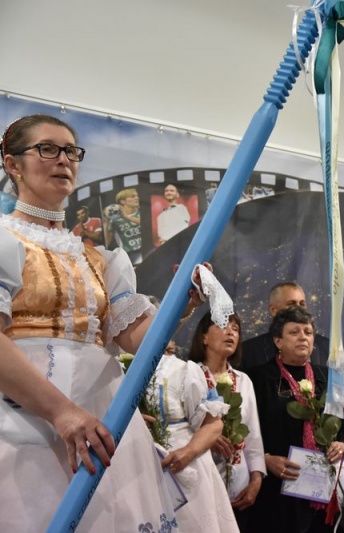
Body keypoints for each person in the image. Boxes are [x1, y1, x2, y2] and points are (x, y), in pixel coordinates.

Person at [0, 113, 201, 531]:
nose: (63, 160)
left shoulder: (100, 259)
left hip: (100, 413)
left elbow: (135, 339)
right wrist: (61, 412)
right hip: (23, 410)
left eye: (70, 151)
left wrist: (180, 305)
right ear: (12, 163)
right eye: (47, 149)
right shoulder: (3, 239)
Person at [248, 305, 344, 532]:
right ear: (278, 341)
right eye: (294, 332)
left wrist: (342, 443)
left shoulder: (329, 378)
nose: (303, 337)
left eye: (308, 332)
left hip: (323, 487)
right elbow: (247, 431)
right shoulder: (257, 379)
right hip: (277, 488)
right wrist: (264, 460)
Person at [188, 309, 266, 532]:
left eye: (236, 329)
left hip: (238, 489)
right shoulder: (188, 374)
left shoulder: (244, 380)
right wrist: (207, 438)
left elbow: (253, 436)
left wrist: (256, 480)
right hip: (200, 481)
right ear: (204, 337)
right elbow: (180, 425)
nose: (231, 332)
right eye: (223, 325)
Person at [150, 339, 240, 532]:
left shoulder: (184, 370)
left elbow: (214, 423)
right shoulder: (118, 366)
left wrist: (188, 452)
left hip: (185, 466)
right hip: (140, 468)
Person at [240, 282, 330, 371]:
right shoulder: (248, 351)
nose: (298, 309)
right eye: (291, 304)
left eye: (302, 304)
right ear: (273, 310)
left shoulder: (327, 347)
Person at [105, 187, 143, 265]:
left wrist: (127, 217)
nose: (137, 198)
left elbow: (146, 223)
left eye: (137, 196)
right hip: (129, 254)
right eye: (133, 196)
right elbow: (107, 242)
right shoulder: (114, 220)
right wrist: (106, 222)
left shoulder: (143, 212)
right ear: (122, 201)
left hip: (146, 250)